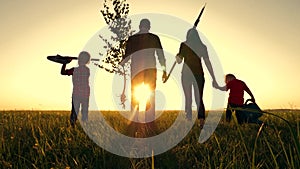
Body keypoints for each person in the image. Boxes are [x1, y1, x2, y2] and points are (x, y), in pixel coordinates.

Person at [121, 18, 167, 125]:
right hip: (150, 69)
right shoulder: (154, 38)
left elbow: (127, 56)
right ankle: (150, 120)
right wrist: (164, 70)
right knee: (150, 93)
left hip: (136, 69)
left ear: (139, 26)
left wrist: (122, 62)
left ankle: (134, 120)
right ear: (149, 27)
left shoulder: (132, 39)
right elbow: (161, 56)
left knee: (134, 93)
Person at [176, 28, 218, 127]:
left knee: (188, 97)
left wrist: (177, 56)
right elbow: (207, 62)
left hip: (186, 74)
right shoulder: (202, 46)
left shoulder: (184, 44)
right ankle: (201, 120)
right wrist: (213, 78)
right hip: (198, 74)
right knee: (199, 97)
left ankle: (189, 118)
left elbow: (179, 61)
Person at [61, 51, 91, 127]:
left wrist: (65, 63)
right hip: (85, 94)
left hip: (77, 94)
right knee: (84, 113)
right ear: (87, 61)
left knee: (74, 112)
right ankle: (84, 127)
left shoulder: (74, 70)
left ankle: (72, 127)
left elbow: (63, 72)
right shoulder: (87, 70)